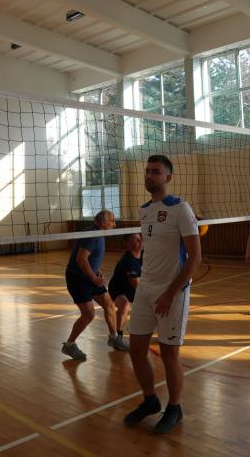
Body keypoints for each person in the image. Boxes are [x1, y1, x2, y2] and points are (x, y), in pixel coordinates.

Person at [124, 155, 201, 434]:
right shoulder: (144, 210)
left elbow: (195, 257)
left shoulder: (181, 209)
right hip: (145, 289)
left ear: (168, 177)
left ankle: (175, 408)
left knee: (169, 355)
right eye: (147, 171)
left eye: (155, 172)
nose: (149, 175)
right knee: (136, 350)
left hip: (173, 292)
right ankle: (150, 400)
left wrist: (170, 292)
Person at [62, 209, 129, 360]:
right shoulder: (93, 235)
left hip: (89, 277)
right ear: (103, 223)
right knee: (89, 314)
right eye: (112, 221)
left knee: (109, 305)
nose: (114, 224)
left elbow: (89, 258)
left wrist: (96, 271)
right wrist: (93, 277)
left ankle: (114, 338)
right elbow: (81, 259)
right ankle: (69, 345)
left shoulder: (97, 233)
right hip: (78, 279)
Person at [108, 233, 143, 337]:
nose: (140, 241)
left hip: (132, 288)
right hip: (119, 289)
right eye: (136, 240)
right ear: (128, 244)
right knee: (125, 305)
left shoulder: (145, 255)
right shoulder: (128, 261)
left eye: (140, 239)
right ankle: (117, 335)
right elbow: (137, 285)